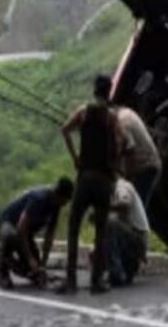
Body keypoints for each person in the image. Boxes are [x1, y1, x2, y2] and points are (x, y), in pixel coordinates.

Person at [58, 74, 124, 295]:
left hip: (85, 178)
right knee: (100, 231)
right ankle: (96, 282)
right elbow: (121, 141)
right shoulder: (112, 118)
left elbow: (64, 130)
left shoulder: (84, 112)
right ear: (109, 92)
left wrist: (75, 158)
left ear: (95, 90)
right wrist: (114, 163)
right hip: (104, 180)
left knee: (74, 227)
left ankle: (71, 281)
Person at [0, 178, 74, 289]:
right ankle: (1, 268)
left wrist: (42, 264)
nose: (66, 204)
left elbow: (49, 236)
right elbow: (21, 229)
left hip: (25, 233)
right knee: (12, 237)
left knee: (33, 270)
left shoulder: (56, 206)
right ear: (60, 196)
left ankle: (25, 265)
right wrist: (30, 258)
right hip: (9, 225)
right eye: (66, 200)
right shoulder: (39, 199)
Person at [117, 103, 162, 214]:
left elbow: (130, 149)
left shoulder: (121, 123)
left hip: (146, 166)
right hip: (147, 163)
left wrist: (126, 178)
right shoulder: (125, 113)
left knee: (135, 211)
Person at [106, 178, 151, 287]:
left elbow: (125, 203)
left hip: (138, 238)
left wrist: (104, 207)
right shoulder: (113, 191)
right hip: (132, 237)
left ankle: (116, 273)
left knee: (110, 222)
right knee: (107, 224)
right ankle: (126, 268)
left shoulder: (122, 186)